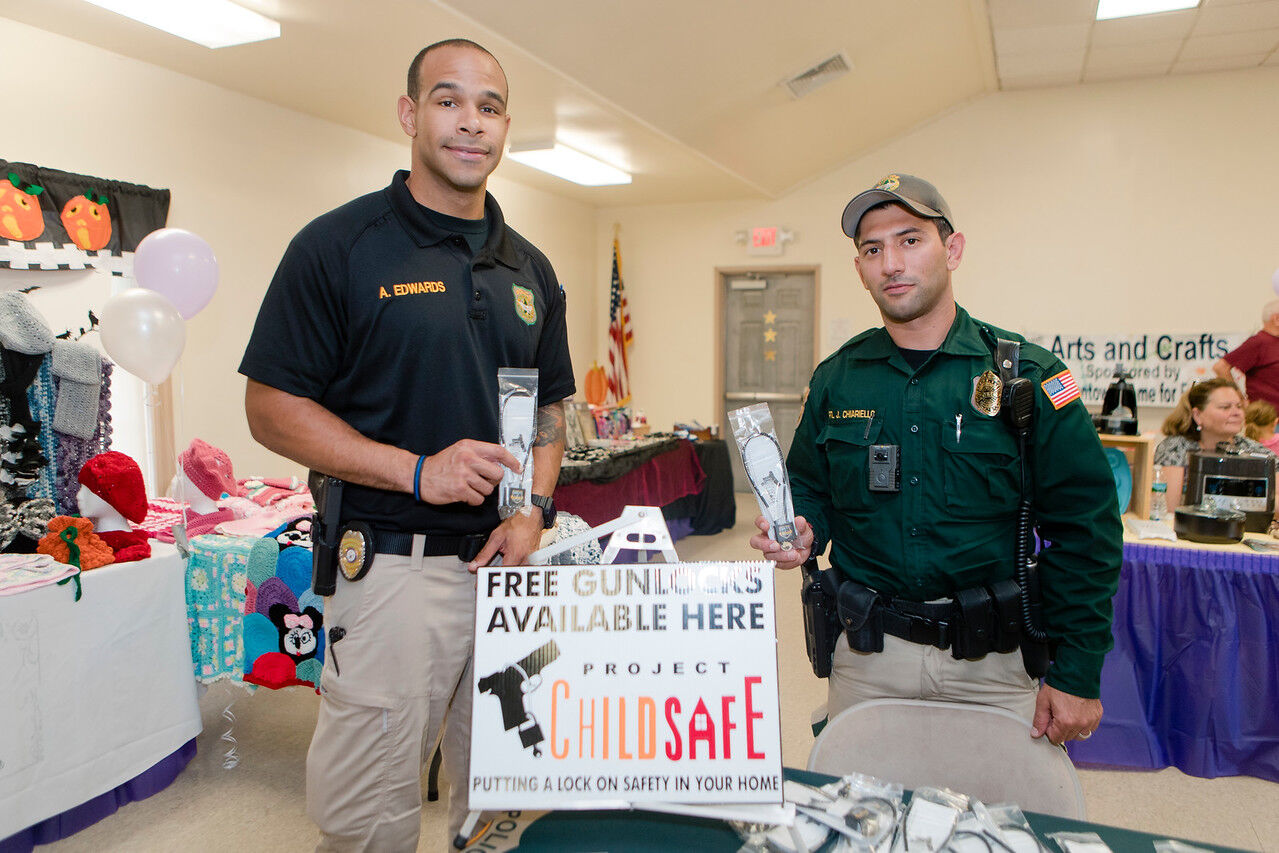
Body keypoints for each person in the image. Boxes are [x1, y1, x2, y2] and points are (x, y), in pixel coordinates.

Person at [238, 39, 574, 851]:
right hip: (392, 570)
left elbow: (550, 410)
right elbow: (270, 407)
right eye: (448, 101)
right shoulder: (339, 246)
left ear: (506, 127)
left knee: (500, 808)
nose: (471, 123)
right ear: (409, 114)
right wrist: (417, 471)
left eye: (489, 107)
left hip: (508, 574)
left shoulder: (530, 269)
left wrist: (531, 511)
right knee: (369, 822)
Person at [749, 173, 1121, 746]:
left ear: (952, 249)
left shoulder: (1030, 376)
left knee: (999, 805)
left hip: (993, 666)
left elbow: (1086, 528)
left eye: (910, 240)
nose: (891, 264)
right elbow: (810, 488)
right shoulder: (837, 379)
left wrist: (1077, 672)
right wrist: (801, 528)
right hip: (867, 659)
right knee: (857, 802)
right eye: (873, 250)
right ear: (860, 270)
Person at [1154, 378, 1273, 511]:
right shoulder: (1175, 448)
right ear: (1197, 415)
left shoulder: (1256, 451)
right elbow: (1169, 509)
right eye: (1225, 407)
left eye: (1239, 406)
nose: (1237, 413)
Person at [1213, 300, 1279, 409]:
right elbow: (1221, 367)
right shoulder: (1259, 342)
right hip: (1268, 415)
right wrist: (1240, 399)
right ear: (1276, 319)